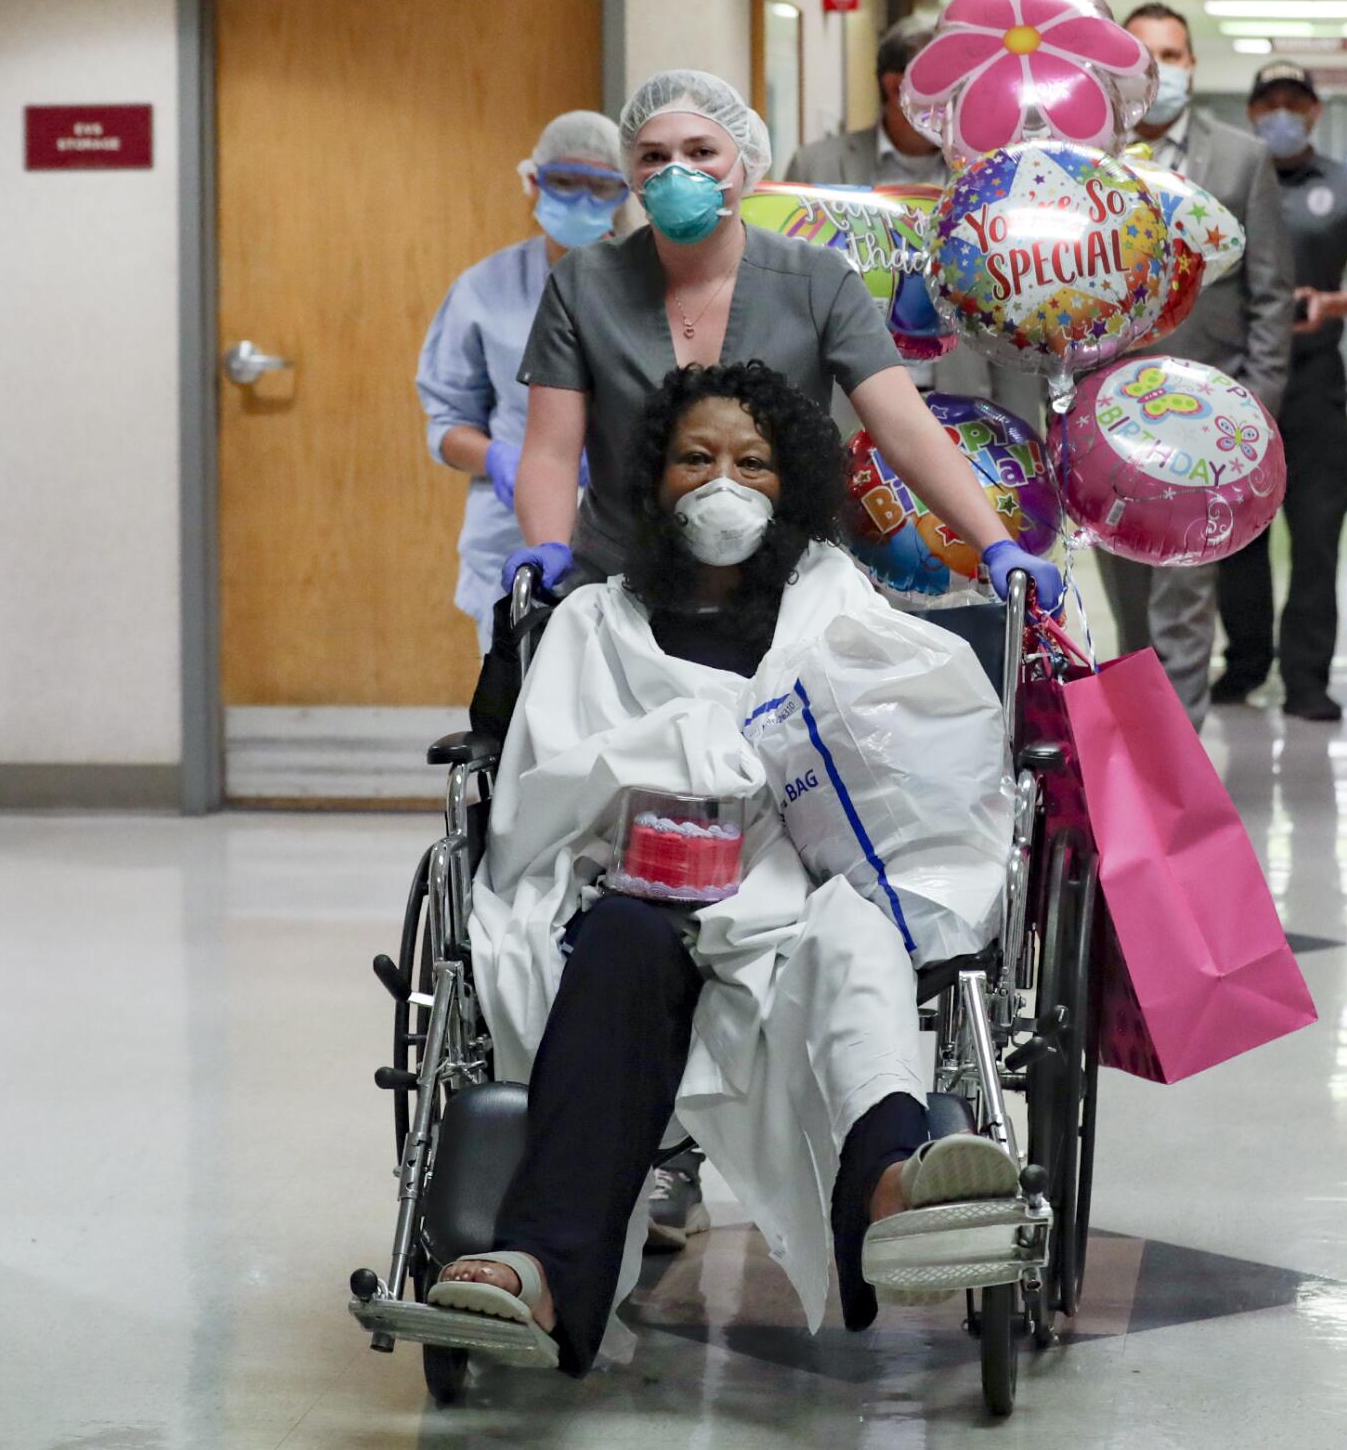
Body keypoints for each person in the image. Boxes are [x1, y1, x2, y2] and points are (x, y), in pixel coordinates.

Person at [428, 362, 1024, 1375]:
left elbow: (917, 758)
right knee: (619, 938)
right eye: (695, 459)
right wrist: (659, 764)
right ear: (651, 480)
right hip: (637, 884)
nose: (723, 484)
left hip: (799, 884)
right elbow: (541, 792)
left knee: (863, 930)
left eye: (752, 463)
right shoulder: (591, 622)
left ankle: (887, 1184)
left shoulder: (841, 611)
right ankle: (536, 1264)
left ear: (790, 484)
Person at [500, 68, 1058, 617]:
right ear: (632, 175)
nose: (678, 173)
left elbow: (905, 428)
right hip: (621, 582)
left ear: (745, 162)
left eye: (701, 152)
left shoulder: (818, 279)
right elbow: (550, 448)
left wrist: (995, 543)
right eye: (654, 157)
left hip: (785, 589)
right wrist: (549, 544)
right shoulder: (583, 284)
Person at [1093, 4, 1293, 730]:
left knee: (1185, 598)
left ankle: (1178, 762)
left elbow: (1270, 297)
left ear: (1193, 64)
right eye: (1143, 56)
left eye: (1173, 54)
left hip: (1207, 421)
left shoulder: (1240, 159)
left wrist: (1256, 408)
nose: (1160, 69)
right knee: (1130, 603)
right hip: (1107, 420)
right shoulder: (1085, 160)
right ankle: (1142, 747)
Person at [1220, 61, 1347, 722]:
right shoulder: (1226, 184)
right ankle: (1244, 663)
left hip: (1316, 383)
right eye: (1267, 102)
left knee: (1317, 533)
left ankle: (1306, 678)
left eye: (1293, 102)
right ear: (1249, 112)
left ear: (1316, 112)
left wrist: (1333, 301)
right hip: (1235, 385)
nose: (1280, 113)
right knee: (1237, 534)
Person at [416, 110, 626, 651]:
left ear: (624, 192)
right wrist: (501, 460)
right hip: (510, 533)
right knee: (519, 700)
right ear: (532, 182)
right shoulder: (484, 290)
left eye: (599, 185)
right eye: (564, 181)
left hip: (628, 524)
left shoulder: (650, 286)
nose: (581, 199)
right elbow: (446, 425)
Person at [784, 16, 1041, 424]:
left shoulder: (994, 174)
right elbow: (789, 297)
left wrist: (1023, 427)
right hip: (847, 403)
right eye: (950, 83)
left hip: (961, 398)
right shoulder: (818, 165)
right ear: (894, 85)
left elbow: (1014, 311)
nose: (964, 96)